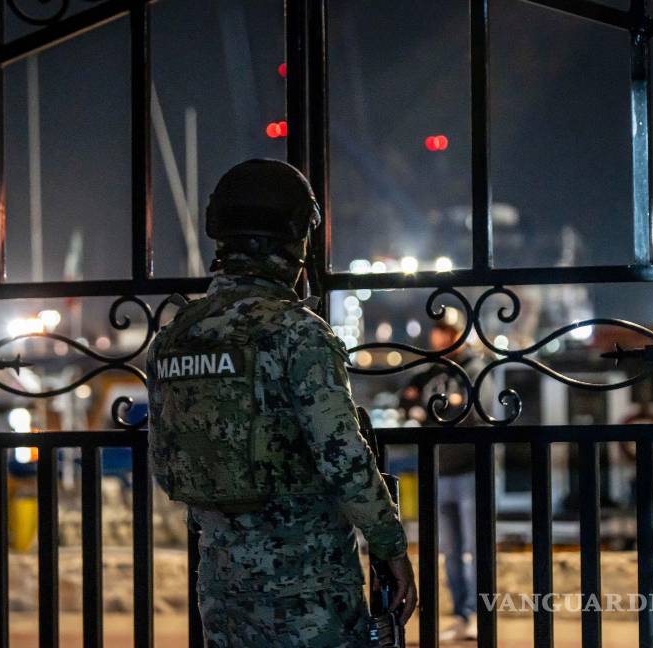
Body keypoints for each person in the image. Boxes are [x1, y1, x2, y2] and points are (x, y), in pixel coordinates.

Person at [147, 159, 416, 647]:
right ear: (296, 238)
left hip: (223, 591)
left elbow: (168, 458)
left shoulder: (175, 337)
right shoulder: (295, 332)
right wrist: (390, 546)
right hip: (308, 592)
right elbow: (343, 458)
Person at [398, 321, 480, 642]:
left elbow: (474, 412)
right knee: (450, 551)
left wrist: (427, 411)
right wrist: (445, 408)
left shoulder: (473, 369)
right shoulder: (429, 372)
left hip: (471, 468)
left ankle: (476, 614)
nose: (438, 340)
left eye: (444, 334)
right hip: (439, 468)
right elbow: (405, 402)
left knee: (473, 549)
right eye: (436, 334)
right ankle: (461, 615)